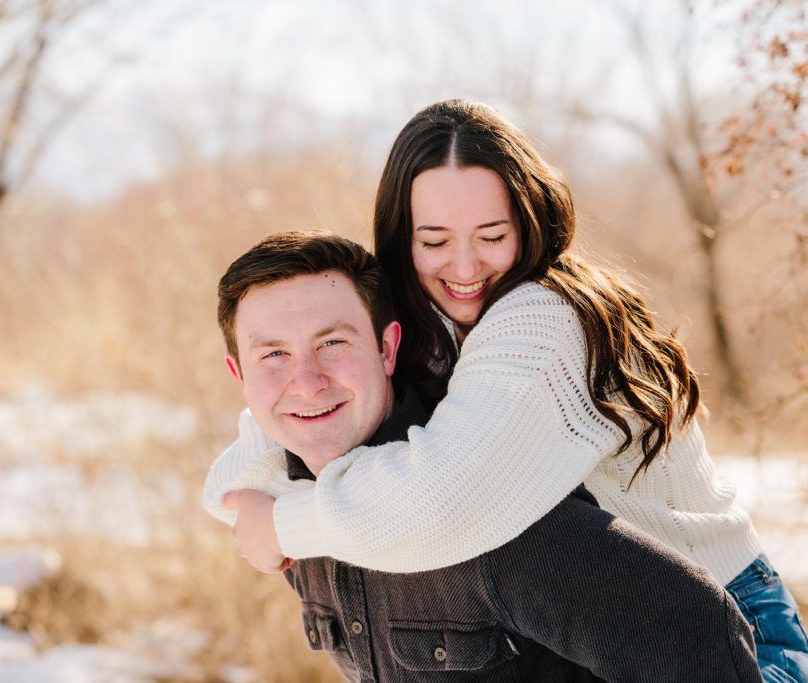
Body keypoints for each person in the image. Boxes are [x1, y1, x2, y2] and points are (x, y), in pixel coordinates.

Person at [205, 99, 808, 683]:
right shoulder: (424, 318)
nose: (465, 268)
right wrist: (251, 490)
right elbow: (272, 432)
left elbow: (442, 495)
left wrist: (283, 525)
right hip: (607, 629)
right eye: (435, 240)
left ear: (531, 221)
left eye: (492, 236)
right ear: (403, 236)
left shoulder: (542, 318)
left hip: (726, 627)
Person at [208, 230, 761, 682]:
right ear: (239, 377)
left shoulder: (475, 495)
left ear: (387, 348)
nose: (306, 382)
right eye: (273, 354)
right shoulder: (285, 510)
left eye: (333, 343)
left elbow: (696, 632)